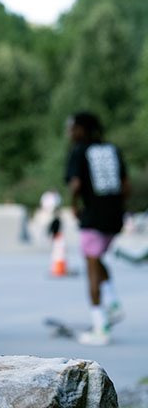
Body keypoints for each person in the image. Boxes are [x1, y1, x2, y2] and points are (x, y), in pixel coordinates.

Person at [65, 112, 129, 346]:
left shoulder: (79, 151)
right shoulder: (112, 149)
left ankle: (100, 325)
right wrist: (117, 207)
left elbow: (76, 184)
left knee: (91, 266)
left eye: (72, 128)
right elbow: (126, 186)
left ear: (82, 130)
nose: (69, 133)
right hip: (114, 217)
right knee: (97, 258)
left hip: (93, 216)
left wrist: (74, 206)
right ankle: (112, 303)